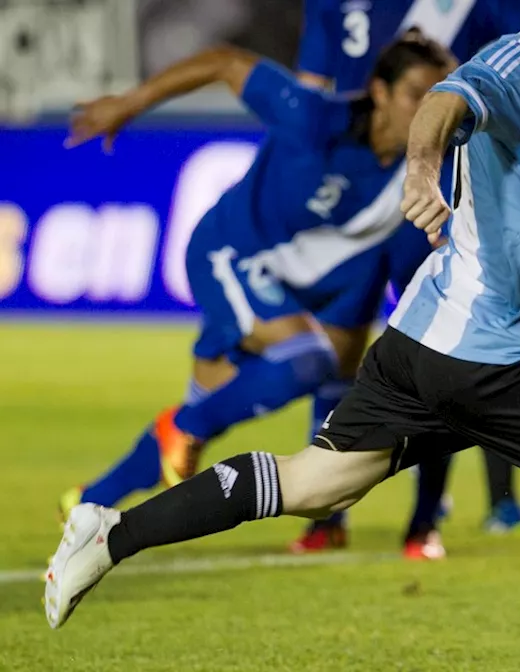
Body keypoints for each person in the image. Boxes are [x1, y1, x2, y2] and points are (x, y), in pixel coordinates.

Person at [45, 3, 520, 670]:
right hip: (487, 353)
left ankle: (110, 535)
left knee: (317, 486)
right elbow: (443, 103)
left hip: (422, 342)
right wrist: (422, 172)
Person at [57, 32, 455, 548]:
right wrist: (129, 103)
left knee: (311, 380)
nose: (433, 109)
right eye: (418, 94)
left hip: (326, 280)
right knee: (298, 365)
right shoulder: (314, 118)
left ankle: (91, 499)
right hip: (234, 255)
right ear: (379, 92)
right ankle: (186, 426)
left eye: (443, 95)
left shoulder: (430, 166)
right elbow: (225, 62)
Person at [288, 0, 520, 559]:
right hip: (361, 193)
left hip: (431, 193)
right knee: (338, 357)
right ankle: (327, 515)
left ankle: (424, 521)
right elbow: (309, 97)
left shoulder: (490, 8)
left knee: (442, 355)